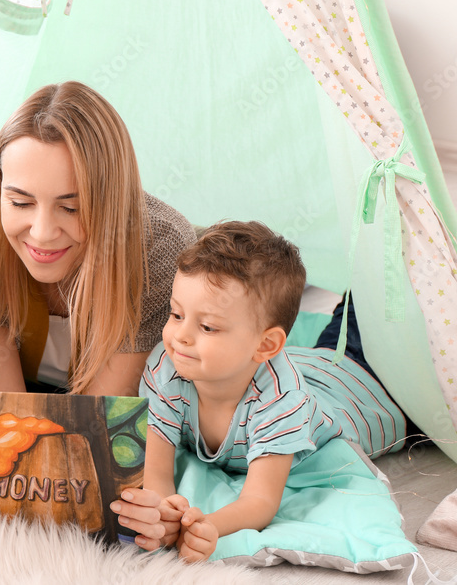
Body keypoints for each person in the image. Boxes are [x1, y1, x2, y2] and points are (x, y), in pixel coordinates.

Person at [112, 221, 406, 560]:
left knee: (378, 303)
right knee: (341, 328)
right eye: (176, 314)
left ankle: (390, 243)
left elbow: (260, 502)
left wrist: (208, 525)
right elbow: (157, 475)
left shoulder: (282, 401)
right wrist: (164, 518)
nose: (180, 336)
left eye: (207, 326)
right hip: (315, 362)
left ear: (266, 345)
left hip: (363, 386)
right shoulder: (167, 367)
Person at [0, 81, 197, 396]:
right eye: (20, 203)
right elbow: (8, 408)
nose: (42, 233)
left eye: (72, 208)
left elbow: (98, 417)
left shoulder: (159, 245)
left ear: (113, 202)